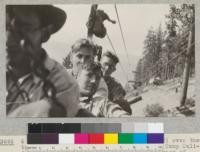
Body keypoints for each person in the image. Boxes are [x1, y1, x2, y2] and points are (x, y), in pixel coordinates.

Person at [6, 5, 93, 117]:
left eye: (24, 29)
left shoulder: (63, 85)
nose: (7, 39)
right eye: (5, 27)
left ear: (45, 33)